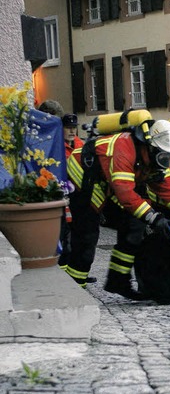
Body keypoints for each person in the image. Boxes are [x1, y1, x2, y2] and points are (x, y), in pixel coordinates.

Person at [65, 119, 170, 300]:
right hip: (83, 176)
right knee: (86, 235)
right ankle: (74, 291)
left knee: (135, 226)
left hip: (108, 181)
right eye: (165, 156)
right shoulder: (124, 149)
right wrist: (154, 217)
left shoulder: (154, 155)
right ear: (151, 147)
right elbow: (125, 193)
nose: (167, 160)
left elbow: (166, 187)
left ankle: (118, 281)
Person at [57, 113, 85, 274]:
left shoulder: (80, 145)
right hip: (65, 195)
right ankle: (63, 270)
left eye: (74, 128)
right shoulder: (58, 146)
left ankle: (76, 269)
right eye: (68, 128)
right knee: (64, 235)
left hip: (79, 196)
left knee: (78, 235)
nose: (72, 131)